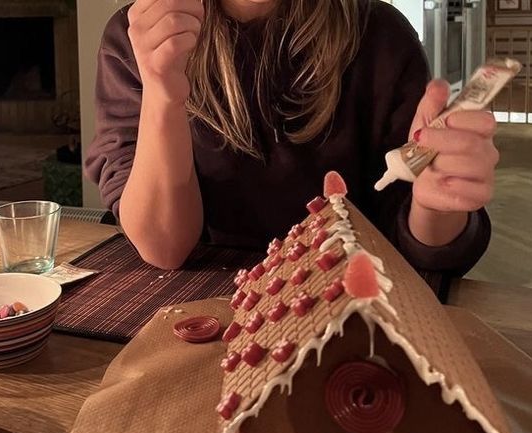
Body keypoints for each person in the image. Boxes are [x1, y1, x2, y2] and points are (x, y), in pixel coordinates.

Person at [85, 0, 498, 278]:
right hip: (198, 315)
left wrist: (435, 198)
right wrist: (162, 93)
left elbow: (422, 248)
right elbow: (165, 248)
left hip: (352, 313)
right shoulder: (136, 36)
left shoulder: (379, 35)